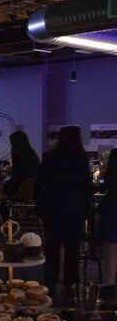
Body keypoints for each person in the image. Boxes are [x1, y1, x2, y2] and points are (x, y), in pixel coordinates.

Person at [36, 126, 90, 296]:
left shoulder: (49, 157)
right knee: (72, 249)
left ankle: (50, 282)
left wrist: (40, 209)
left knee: (52, 247)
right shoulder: (81, 159)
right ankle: (70, 283)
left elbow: (40, 185)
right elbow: (86, 188)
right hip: (74, 211)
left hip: (52, 210)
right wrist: (86, 210)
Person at [100, 149, 117, 301]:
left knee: (111, 246)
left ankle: (109, 286)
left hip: (113, 206)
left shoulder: (115, 155)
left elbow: (108, 182)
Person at [3, 130, 39, 199]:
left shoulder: (23, 153)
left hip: (25, 186)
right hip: (25, 184)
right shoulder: (29, 151)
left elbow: (20, 173)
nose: (11, 145)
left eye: (12, 142)